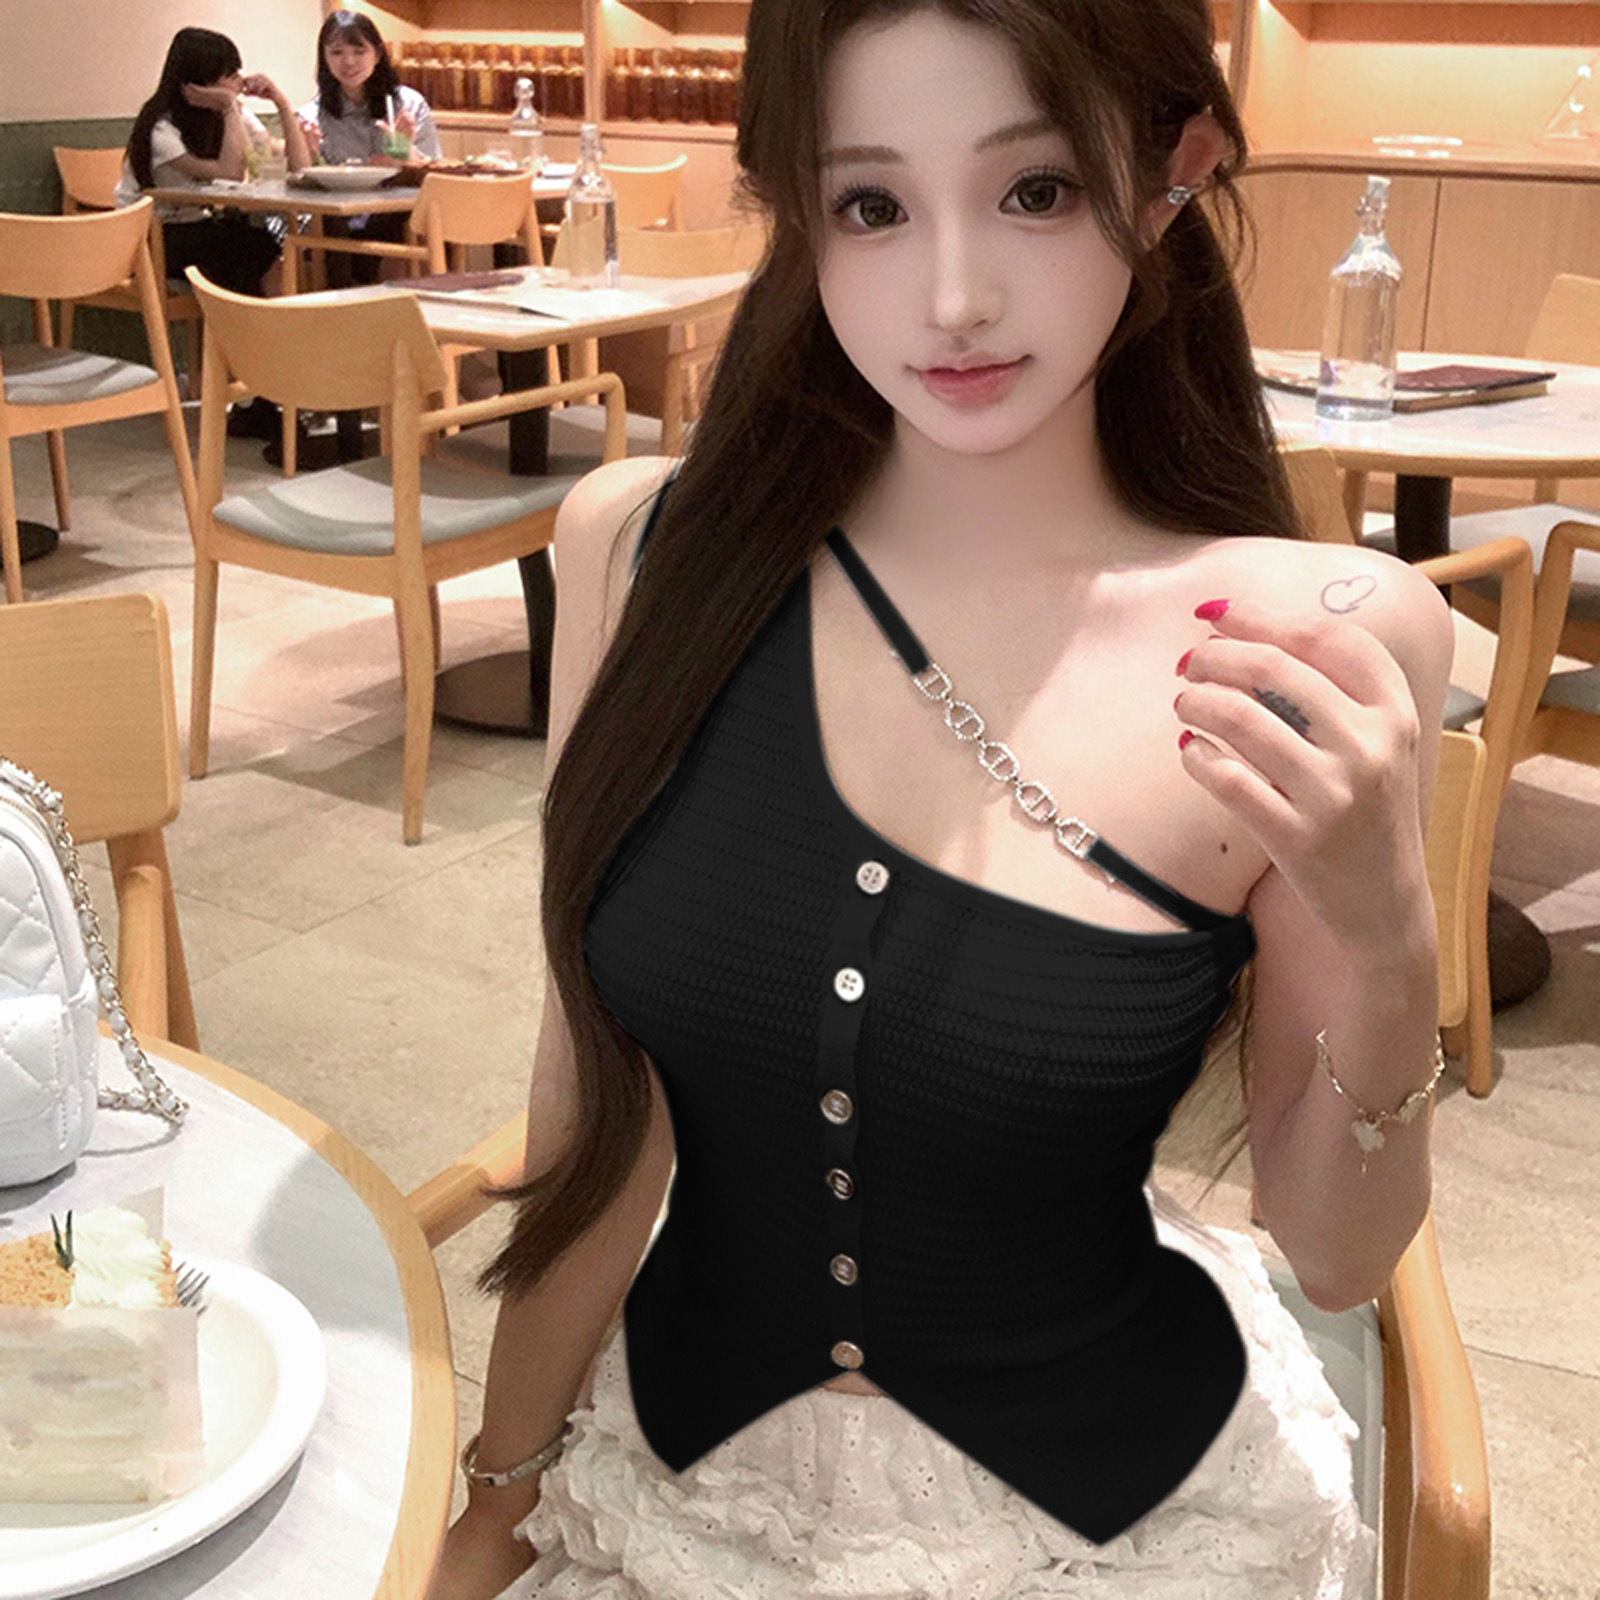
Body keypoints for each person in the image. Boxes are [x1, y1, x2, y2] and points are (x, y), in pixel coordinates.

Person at [431, 1, 1454, 1596]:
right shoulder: (645, 556)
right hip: (679, 1491)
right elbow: (590, 1103)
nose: (953, 297)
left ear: (1176, 173)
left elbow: (1331, 1252)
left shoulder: (1303, 634)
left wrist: (1393, 952)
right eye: (871, 204)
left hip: (1117, 1532)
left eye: (1036, 190)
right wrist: (497, 1498)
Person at [119, 27, 310, 438]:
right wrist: (227, 110)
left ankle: (264, 395)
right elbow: (231, 172)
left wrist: (282, 103)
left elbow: (297, 168)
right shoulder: (161, 128)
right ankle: (263, 396)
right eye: (229, 74)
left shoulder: (231, 114)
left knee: (260, 251)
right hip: (153, 239)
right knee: (248, 254)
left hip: (205, 230)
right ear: (199, 82)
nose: (238, 82)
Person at [296, 9, 442, 288]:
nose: (348, 61)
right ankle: (344, 304)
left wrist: (405, 155)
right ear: (324, 58)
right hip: (339, 222)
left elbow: (435, 173)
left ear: (377, 53)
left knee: (412, 221)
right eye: (337, 52)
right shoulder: (311, 116)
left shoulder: (408, 105)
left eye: (359, 50)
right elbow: (304, 184)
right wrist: (312, 157)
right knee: (331, 221)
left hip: (397, 217)